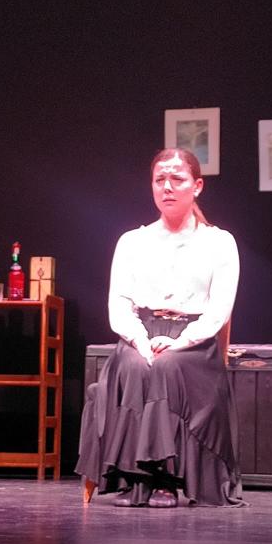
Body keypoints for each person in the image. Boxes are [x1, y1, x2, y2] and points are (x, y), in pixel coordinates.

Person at [76, 148, 244, 507]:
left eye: (177, 179)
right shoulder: (132, 241)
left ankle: (165, 480)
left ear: (197, 186)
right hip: (141, 332)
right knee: (135, 367)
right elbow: (119, 304)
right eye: (159, 180)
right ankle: (136, 481)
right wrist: (140, 340)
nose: (167, 187)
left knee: (167, 367)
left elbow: (218, 311)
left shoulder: (219, 243)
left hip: (193, 342)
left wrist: (180, 342)